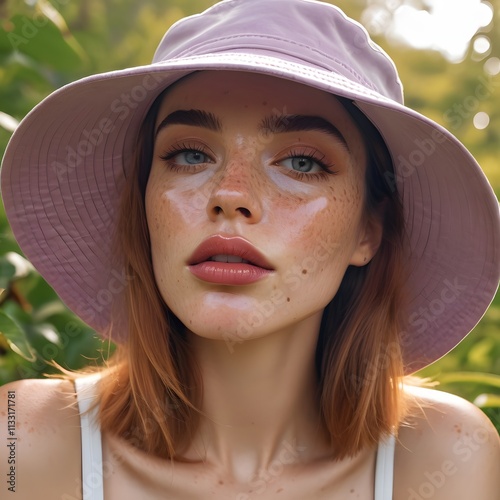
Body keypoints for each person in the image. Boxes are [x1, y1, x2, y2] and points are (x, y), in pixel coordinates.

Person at [1, 0, 499, 498]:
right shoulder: (21, 441)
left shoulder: (447, 459)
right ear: (145, 203)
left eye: (302, 163)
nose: (230, 195)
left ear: (369, 230)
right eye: (190, 155)